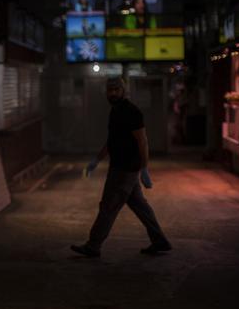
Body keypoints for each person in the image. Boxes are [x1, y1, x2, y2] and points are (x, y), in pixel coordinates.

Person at [71, 77, 172, 257]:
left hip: (125, 169)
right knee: (140, 206)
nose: (113, 93)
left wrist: (144, 169)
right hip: (121, 167)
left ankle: (93, 246)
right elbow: (112, 141)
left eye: (116, 89)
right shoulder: (115, 112)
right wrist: (96, 160)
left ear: (123, 91)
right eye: (110, 90)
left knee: (108, 207)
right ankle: (160, 241)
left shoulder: (132, 112)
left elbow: (142, 141)